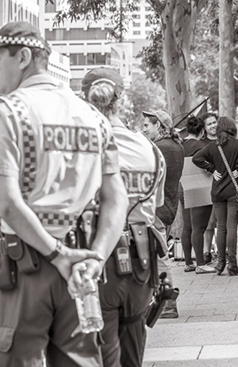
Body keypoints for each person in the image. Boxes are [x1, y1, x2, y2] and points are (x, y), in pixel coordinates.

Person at [0, 22, 128, 366]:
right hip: (82, 268)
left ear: (23, 56)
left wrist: (57, 254)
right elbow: (117, 199)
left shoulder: (8, 112)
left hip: (24, 266)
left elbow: (9, 205)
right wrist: (97, 257)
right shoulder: (95, 119)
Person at [81, 67, 166, 367]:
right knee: (132, 348)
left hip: (97, 260)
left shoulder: (81, 148)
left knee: (99, 354)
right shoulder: (151, 149)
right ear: (120, 100)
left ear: (85, 98)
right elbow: (155, 206)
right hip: (141, 266)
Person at [193, 117, 238, 276]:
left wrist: (211, 169)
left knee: (221, 227)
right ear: (232, 128)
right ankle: (232, 263)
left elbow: (196, 158)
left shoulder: (213, 146)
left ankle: (220, 263)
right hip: (233, 190)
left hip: (218, 191)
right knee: (231, 226)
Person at [143, 109, 185, 318]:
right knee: (155, 255)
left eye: (147, 125)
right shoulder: (176, 146)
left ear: (158, 125)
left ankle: (168, 303)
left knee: (159, 256)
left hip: (157, 208)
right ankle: (159, 301)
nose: (144, 129)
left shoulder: (159, 148)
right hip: (167, 206)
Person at [180, 116, 216, 273]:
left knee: (187, 226)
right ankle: (201, 263)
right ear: (202, 131)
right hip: (200, 187)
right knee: (199, 227)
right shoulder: (201, 145)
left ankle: (188, 262)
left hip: (182, 187)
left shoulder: (180, 145)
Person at [199, 112, 218, 263]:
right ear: (204, 128)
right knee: (209, 222)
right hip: (207, 186)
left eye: (214, 122)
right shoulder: (202, 143)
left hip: (224, 185)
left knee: (223, 221)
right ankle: (207, 251)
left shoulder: (224, 140)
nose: (213, 126)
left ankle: (221, 250)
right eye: (209, 124)